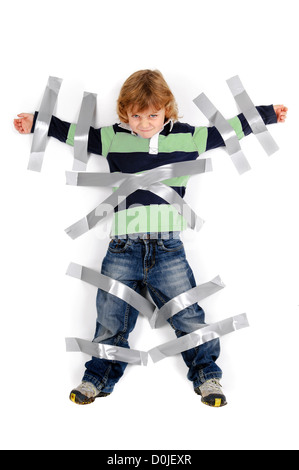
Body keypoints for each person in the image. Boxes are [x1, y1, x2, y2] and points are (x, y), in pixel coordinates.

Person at [14, 70, 288, 407]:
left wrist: (266, 114)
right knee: (110, 316)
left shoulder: (187, 138)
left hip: (167, 247)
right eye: (137, 115)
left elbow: (227, 130)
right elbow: (75, 135)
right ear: (125, 113)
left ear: (168, 110)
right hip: (122, 247)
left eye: (153, 115)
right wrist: (39, 122)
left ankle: (207, 375)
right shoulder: (113, 138)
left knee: (187, 314)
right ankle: (96, 377)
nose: (145, 123)